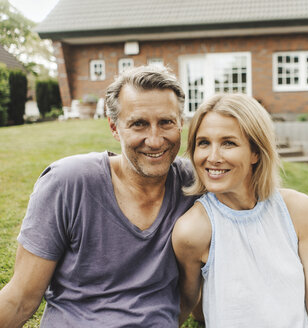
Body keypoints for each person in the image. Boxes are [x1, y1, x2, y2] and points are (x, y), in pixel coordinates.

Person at [0, 65, 198, 327]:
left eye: (166, 122)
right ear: (114, 127)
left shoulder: (193, 183)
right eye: (139, 124)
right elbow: (20, 298)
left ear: (181, 124)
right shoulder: (67, 183)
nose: (154, 139)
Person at [172, 93, 308, 327]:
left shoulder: (298, 210)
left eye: (229, 143)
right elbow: (191, 305)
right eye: (203, 143)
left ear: (256, 152)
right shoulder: (193, 230)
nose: (212, 157)